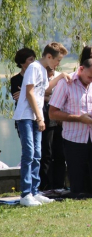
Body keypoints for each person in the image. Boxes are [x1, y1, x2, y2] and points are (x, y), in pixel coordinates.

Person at [14, 42, 69, 206]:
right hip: (26, 116)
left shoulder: (44, 71)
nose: (58, 64)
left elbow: (45, 90)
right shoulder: (34, 67)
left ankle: (35, 191)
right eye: (57, 60)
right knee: (29, 153)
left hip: (36, 116)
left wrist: (60, 76)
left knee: (38, 153)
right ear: (49, 56)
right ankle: (25, 194)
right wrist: (39, 116)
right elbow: (29, 92)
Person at [49, 58, 92, 198]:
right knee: (78, 183)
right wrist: (79, 118)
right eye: (90, 77)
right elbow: (52, 113)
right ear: (81, 69)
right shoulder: (66, 83)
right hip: (74, 139)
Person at [39, 66, 66, 191]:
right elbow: (38, 94)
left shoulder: (60, 77)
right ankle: (46, 185)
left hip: (59, 120)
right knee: (47, 153)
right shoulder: (40, 78)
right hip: (46, 119)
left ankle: (60, 184)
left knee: (60, 153)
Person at [10, 48, 36, 138]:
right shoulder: (15, 80)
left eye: (34, 59)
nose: (34, 62)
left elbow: (44, 93)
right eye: (31, 59)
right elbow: (17, 97)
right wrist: (29, 94)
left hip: (37, 115)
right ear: (22, 62)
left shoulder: (37, 77)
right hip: (23, 117)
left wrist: (24, 93)